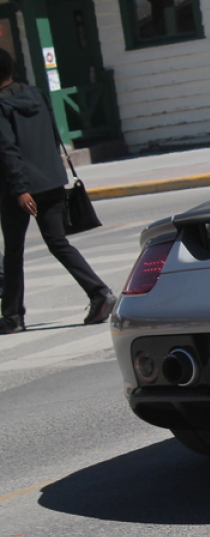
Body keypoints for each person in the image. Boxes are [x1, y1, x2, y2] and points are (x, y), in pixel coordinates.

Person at [0, 48, 115, 334]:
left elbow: (8, 150)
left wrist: (21, 189)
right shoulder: (36, 94)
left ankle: (13, 317)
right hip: (51, 181)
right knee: (58, 242)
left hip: (19, 190)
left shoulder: (1, 106)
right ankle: (99, 293)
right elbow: (52, 135)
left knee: (14, 251)